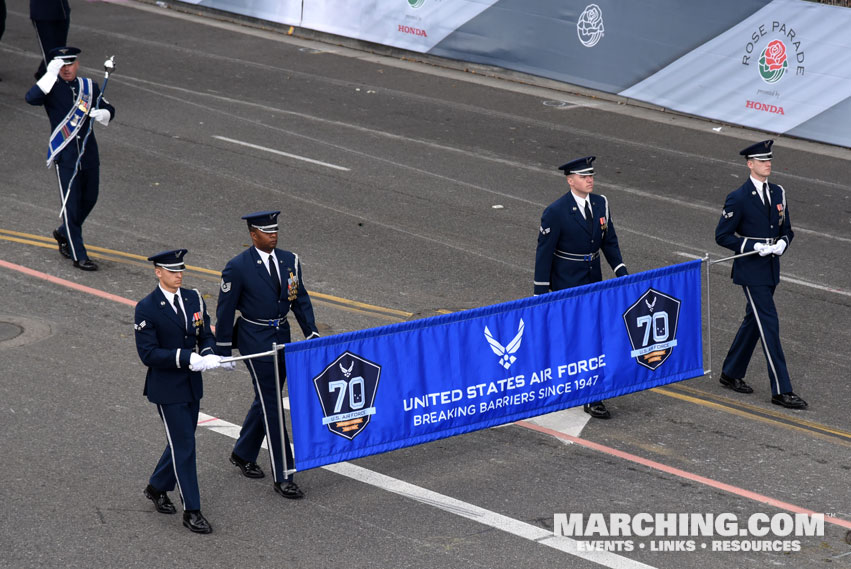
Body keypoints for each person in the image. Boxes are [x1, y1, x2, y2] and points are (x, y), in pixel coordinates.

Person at [215, 211, 320, 500]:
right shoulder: (237, 267)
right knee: (272, 402)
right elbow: (225, 309)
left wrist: (310, 331)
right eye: (266, 231)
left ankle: (243, 452)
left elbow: (299, 298)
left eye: (275, 231)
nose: (273, 235)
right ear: (253, 235)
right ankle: (284, 474)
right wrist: (223, 347)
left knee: (266, 397)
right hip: (255, 340)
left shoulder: (289, 260)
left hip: (281, 338)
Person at [134, 249, 224, 534]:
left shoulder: (193, 298)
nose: (178, 275)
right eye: (172, 271)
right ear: (158, 272)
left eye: (180, 270)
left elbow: (204, 334)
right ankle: (192, 510)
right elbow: (148, 354)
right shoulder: (147, 307)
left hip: (191, 384)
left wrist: (209, 353)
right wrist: (186, 358)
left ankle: (157, 486)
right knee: (185, 445)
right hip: (167, 388)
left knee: (180, 439)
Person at [534, 156, 629, 419]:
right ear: (570, 180)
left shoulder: (601, 203)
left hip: (593, 280)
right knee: (579, 338)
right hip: (567, 284)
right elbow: (544, 253)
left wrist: (620, 270)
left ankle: (591, 394)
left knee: (592, 337)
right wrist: (541, 292)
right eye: (584, 176)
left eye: (591, 176)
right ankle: (575, 388)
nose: (590, 180)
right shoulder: (556, 211)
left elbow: (609, 241)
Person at [715, 140, 806, 410]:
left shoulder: (778, 192)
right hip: (751, 269)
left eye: (769, 160)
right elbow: (722, 235)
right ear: (749, 164)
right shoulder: (739, 197)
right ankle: (782, 389)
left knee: (753, 322)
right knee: (769, 324)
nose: (768, 163)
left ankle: (730, 372)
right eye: (762, 160)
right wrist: (752, 246)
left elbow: (786, 229)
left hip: (770, 267)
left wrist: (782, 244)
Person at [25, 46, 115, 271]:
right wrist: (49, 74)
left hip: (88, 154)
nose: (67, 69)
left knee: (90, 198)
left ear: (77, 64)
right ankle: (78, 255)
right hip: (66, 156)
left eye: (70, 64)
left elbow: (108, 107)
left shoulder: (88, 86)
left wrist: (103, 114)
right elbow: (31, 98)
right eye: (62, 65)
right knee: (71, 206)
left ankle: (64, 232)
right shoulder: (50, 88)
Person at [30, 0, 71, 78]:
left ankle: (43, 73)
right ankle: (48, 80)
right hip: (43, 14)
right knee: (50, 52)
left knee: (59, 51)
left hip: (61, 12)